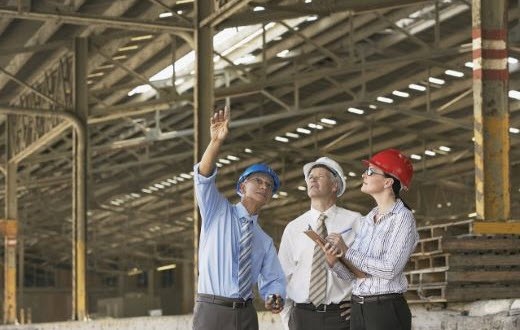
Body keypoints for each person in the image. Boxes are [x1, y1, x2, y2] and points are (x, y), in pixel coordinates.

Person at [192, 106, 286, 330]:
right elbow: (203, 177)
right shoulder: (217, 211)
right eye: (258, 181)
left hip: (245, 314)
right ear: (243, 186)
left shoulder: (263, 241)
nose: (264, 187)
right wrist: (215, 142)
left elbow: (274, 278)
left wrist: (275, 297)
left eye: (269, 186)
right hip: (211, 311)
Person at [322, 149, 419, 330]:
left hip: (386, 310)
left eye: (370, 171)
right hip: (359, 308)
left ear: (388, 182)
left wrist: (347, 251)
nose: (363, 174)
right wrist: (334, 262)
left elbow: (390, 269)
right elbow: (355, 277)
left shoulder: (403, 219)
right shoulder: (368, 220)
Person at [278, 157, 362, 330]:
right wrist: (288, 320)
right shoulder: (294, 228)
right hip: (302, 316)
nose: (312, 179)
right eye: (310, 177)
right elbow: (282, 276)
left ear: (334, 186)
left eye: (319, 176)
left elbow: (366, 269)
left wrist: (361, 306)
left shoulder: (356, 222)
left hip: (341, 317)